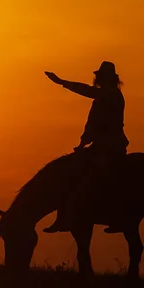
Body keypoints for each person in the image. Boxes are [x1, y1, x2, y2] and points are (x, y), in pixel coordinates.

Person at [42, 61, 129, 234]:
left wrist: (62, 82)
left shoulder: (111, 95)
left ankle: (119, 216)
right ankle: (64, 216)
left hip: (111, 146)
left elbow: (87, 93)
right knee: (71, 173)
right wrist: (83, 142)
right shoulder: (102, 96)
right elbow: (92, 123)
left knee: (103, 176)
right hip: (99, 145)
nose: (99, 79)